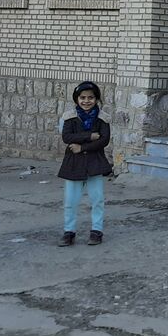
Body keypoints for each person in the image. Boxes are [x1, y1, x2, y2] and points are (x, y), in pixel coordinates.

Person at [58, 81, 112, 247]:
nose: (86, 101)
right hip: (73, 164)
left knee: (97, 199)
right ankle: (69, 232)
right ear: (77, 99)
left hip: (95, 163)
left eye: (91, 98)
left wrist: (81, 146)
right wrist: (89, 136)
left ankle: (96, 231)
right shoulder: (69, 117)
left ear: (96, 99)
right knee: (70, 201)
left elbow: (104, 140)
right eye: (82, 97)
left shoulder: (102, 118)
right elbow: (67, 137)